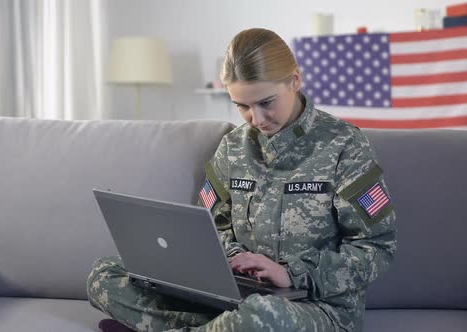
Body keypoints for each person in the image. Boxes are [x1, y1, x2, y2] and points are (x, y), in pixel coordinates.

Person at [87, 28, 397, 332]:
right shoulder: (232, 148)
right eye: (242, 106)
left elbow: (376, 248)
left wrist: (291, 274)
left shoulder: (345, 145)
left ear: (295, 80)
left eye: (266, 102)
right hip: (232, 295)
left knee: (263, 317)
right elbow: (211, 230)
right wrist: (234, 261)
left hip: (315, 307)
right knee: (104, 275)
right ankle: (220, 327)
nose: (257, 119)